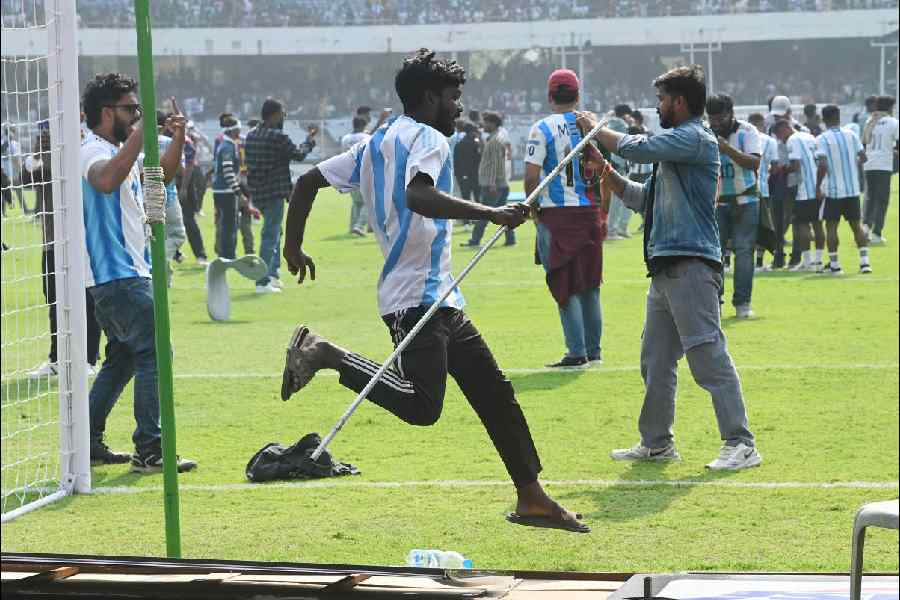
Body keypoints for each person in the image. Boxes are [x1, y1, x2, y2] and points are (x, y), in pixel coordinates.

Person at [281, 48, 588, 533]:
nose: (458, 108)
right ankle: (327, 354)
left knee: (495, 393)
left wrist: (292, 245)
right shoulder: (427, 138)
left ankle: (532, 497)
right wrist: (491, 214)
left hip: (438, 295)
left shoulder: (374, 142)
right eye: (453, 98)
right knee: (422, 406)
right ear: (428, 99)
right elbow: (417, 195)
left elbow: (305, 184)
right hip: (414, 296)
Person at [578, 64, 761, 471]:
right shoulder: (677, 150)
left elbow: (637, 147)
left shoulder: (694, 138)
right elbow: (645, 199)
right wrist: (604, 169)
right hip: (665, 268)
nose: (657, 106)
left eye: (662, 99)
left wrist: (596, 130)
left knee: (707, 356)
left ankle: (741, 442)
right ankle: (656, 442)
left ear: (679, 102)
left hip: (691, 264)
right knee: (655, 359)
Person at [80, 73, 195, 472]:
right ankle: (151, 449)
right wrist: (141, 135)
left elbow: (159, 177)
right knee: (156, 354)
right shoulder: (90, 151)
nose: (139, 116)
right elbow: (106, 181)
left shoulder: (116, 150)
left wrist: (177, 138)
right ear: (108, 112)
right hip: (118, 276)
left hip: (124, 275)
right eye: (132, 109)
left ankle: (86, 440)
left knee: (124, 359)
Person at [524, 68, 605, 368]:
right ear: (578, 94)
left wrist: (533, 211)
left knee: (563, 284)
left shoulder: (541, 128)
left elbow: (531, 176)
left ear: (549, 96)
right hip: (588, 212)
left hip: (556, 215)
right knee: (590, 285)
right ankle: (593, 352)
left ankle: (576, 352)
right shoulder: (591, 125)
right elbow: (601, 168)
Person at [25, 125, 103, 380]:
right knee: (54, 299)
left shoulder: (85, 154)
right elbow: (26, 178)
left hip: (84, 242)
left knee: (87, 300)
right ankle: (57, 358)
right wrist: (39, 151)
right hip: (53, 241)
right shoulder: (46, 160)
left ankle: (89, 358)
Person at [244, 98, 318, 293]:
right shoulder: (277, 136)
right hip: (275, 191)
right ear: (275, 115)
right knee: (271, 234)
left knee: (276, 232)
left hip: (257, 191)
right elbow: (298, 154)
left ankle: (273, 274)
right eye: (283, 114)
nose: (284, 117)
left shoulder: (250, 135)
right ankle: (262, 281)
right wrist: (309, 141)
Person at [706, 93, 761, 319]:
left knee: (744, 250)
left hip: (745, 200)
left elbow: (754, 162)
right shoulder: (705, 133)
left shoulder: (747, 131)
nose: (716, 123)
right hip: (717, 202)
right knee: (713, 255)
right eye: (712, 119)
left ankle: (742, 303)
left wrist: (726, 149)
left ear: (731, 114)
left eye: (720, 118)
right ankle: (715, 302)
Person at [815, 105, 871, 275]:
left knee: (831, 227)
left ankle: (835, 266)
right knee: (857, 226)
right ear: (839, 117)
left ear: (824, 120)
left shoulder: (822, 139)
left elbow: (823, 164)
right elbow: (863, 157)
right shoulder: (852, 135)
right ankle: (865, 263)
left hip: (834, 191)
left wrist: (817, 186)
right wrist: (850, 167)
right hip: (852, 189)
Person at [771, 120, 825, 272]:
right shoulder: (809, 136)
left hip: (805, 187)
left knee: (801, 225)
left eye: (780, 135)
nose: (781, 139)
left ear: (785, 129)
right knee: (817, 224)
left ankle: (807, 262)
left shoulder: (792, 141)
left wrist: (782, 169)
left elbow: (796, 165)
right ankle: (818, 261)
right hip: (819, 185)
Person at [464, 111, 514, 247]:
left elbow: (494, 163)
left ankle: (475, 240)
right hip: (500, 183)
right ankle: (510, 239)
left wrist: (492, 183)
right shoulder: (497, 137)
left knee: (485, 213)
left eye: (486, 122)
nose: (483, 124)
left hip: (493, 184)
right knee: (504, 214)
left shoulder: (495, 140)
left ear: (492, 123)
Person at [155, 110, 188, 286]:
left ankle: (163, 275)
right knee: (177, 235)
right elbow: (181, 170)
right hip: (169, 196)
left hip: (146, 198)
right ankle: (162, 260)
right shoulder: (169, 142)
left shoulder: (138, 144)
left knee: (153, 236)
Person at [211, 115, 248, 262]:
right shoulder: (228, 146)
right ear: (234, 131)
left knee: (226, 224)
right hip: (226, 191)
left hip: (220, 190)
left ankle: (225, 254)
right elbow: (228, 172)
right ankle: (228, 255)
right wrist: (239, 193)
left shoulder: (225, 144)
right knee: (229, 225)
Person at [862, 95, 898, 245]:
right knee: (882, 200)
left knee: (870, 198)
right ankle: (876, 234)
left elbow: (864, 143)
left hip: (869, 164)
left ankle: (865, 229)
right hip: (883, 165)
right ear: (890, 107)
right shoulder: (893, 122)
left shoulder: (870, 121)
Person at [748, 112, 781, 272]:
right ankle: (759, 263)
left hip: (743, 189)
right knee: (762, 226)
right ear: (762, 124)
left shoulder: (742, 138)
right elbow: (775, 167)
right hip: (763, 190)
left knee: (739, 226)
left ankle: (727, 263)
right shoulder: (770, 141)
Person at [177, 124, 209, 265]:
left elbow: (189, 166)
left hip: (182, 182)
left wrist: (183, 187)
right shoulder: (165, 140)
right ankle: (175, 254)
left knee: (188, 220)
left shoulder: (186, 141)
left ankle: (200, 255)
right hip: (169, 182)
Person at [341, 116, 370, 236]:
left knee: (356, 202)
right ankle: (359, 226)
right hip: (363, 171)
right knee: (369, 202)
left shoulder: (345, 138)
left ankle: (352, 226)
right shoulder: (366, 137)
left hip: (349, 171)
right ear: (364, 126)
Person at [452, 119, 481, 214]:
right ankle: (479, 216)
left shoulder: (459, 144)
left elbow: (456, 162)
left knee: (465, 199)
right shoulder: (476, 144)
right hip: (475, 175)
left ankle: (467, 219)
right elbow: (479, 160)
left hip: (462, 175)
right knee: (477, 198)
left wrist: (458, 175)